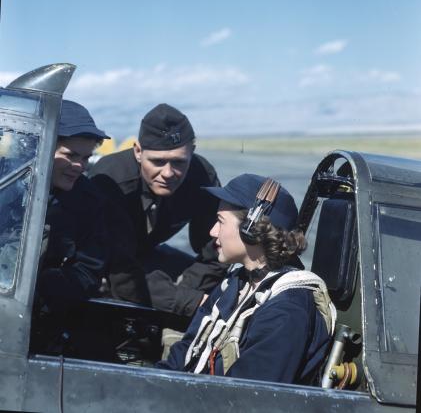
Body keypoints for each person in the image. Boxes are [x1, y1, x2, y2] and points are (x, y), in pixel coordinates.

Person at [157, 173, 336, 384]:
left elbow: (248, 396)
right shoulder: (236, 282)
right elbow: (186, 349)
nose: (213, 231)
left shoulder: (286, 309)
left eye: (221, 222)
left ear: (250, 230)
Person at [90, 103, 226, 317]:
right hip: (106, 264)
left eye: (179, 162)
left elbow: (215, 251)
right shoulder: (112, 180)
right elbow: (121, 272)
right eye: (157, 161)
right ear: (138, 151)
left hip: (147, 257)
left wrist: (188, 288)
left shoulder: (202, 177)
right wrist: (187, 301)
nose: (168, 173)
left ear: (192, 152)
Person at [36, 99, 110, 313]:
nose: (80, 166)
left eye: (86, 158)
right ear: (43, 147)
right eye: (71, 155)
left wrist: (45, 285)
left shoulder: (90, 201)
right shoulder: (8, 184)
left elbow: (89, 270)